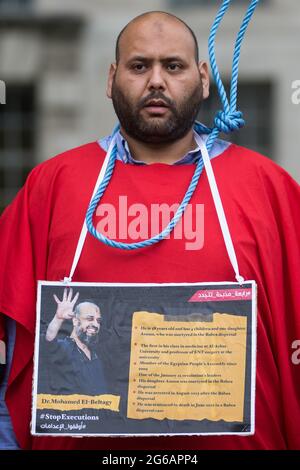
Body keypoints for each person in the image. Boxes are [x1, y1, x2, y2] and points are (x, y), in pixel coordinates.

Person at [0, 10, 299, 450]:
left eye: (173, 66)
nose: (156, 81)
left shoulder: (269, 189)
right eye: (139, 66)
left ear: (202, 79)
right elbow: (11, 350)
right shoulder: (52, 186)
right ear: (111, 79)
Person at [41, 289, 107, 396]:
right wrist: (58, 318)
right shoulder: (63, 348)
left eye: (98, 321)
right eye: (90, 319)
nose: (96, 324)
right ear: (75, 321)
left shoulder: (96, 355)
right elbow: (48, 341)